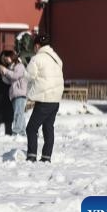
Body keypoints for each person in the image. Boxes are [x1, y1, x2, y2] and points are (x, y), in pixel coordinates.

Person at [25, 33, 64, 163]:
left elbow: (28, 76)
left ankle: (31, 156)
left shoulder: (37, 59)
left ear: (37, 46)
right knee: (48, 127)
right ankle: (46, 157)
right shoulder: (56, 58)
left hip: (44, 99)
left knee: (31, 128)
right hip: (55, 99)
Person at [0, 51, 27, 135]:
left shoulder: (19, 66)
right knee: (19, 112)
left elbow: (15, 76)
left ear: (12, 57)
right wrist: (3, 74)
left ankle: (16, 130)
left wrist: (6, 71)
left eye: (7, 58)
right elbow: (8, 81)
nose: (6, 60)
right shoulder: (11, 67)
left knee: (18, 113)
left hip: (20, 92)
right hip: (14, 93)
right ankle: (22, 131)